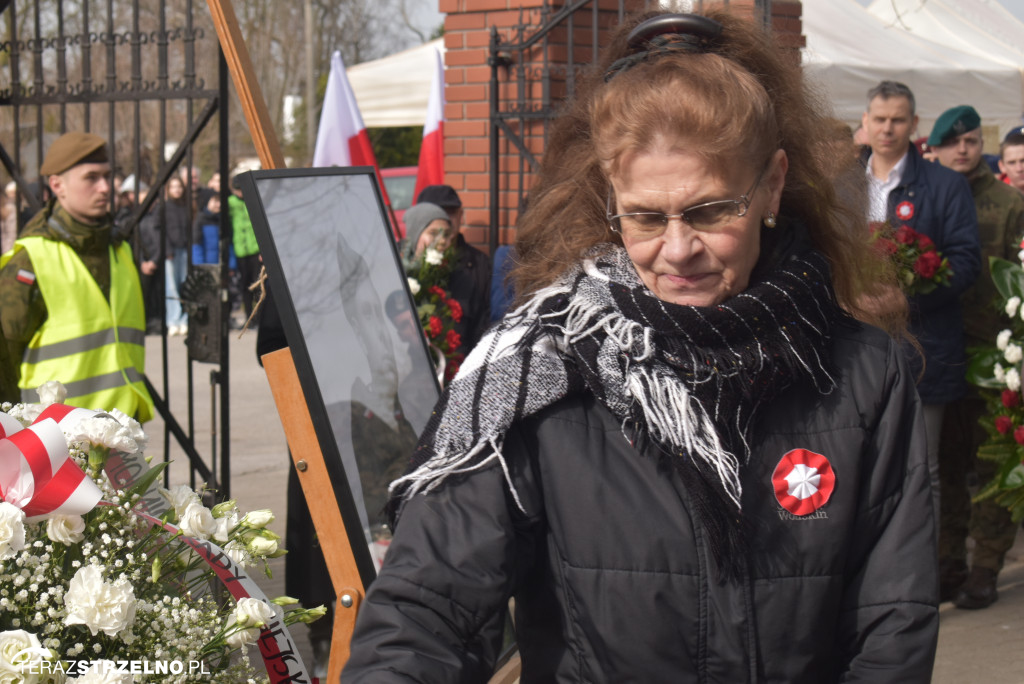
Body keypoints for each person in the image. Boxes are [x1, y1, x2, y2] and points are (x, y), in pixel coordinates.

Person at [344, 11, 938, 682]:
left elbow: (893, 623)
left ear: (772, 184)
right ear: (609, 194)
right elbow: (427, 606)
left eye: (713, 211)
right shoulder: (538, 371)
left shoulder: (860, 373)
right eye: (647, 217)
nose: (678, 250)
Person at [860, 81, 981, 529]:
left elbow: (966, 262)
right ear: (865, 122)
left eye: (897, 120)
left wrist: (906, 297)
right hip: (856, 346)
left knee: (921, 470)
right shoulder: (844, 185)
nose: (887, 128)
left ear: (914, 125)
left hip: (924, 347)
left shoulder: (945, 186)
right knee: (863, 468)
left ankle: (919, 590)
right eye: (880, 118)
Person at [929, 105, 1024, 608]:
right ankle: (949, 563)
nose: (963, 149)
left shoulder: (1009, 204)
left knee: (992, 465)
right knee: (945, 465)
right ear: (938, 148)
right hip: (945, 352)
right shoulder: (933, 199)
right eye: (953, 142)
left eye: (970, 140)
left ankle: (986, 565)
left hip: (997, 357)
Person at [0, 132, 153, 420]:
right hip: (53, 440)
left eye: (108, 176)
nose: (105, 187)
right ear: (57, 185)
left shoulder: (118, 250)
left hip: (120, 432)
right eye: (91, 177)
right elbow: (4, 361)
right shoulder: (30, 260)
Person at [415, 184, 492, 353]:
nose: (444, 218)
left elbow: (485, 323)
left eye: (450, 212)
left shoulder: (480, 265)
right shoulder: (400, 263)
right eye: (436, 211)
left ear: (460, 215)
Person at [228, 174, 260, 325]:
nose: (240, 193)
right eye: (237, 190)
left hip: (254, 248)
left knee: (257, 283)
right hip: (240, 250)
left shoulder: (253, 199)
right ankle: (249, 316)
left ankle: (259, 314)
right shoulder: (230, 203)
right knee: (245, 284)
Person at [998, 127, 1024, 193]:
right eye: (1012, 163)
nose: (1019, 169)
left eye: (1023, 161)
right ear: (1002, 166)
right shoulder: (991, 196)